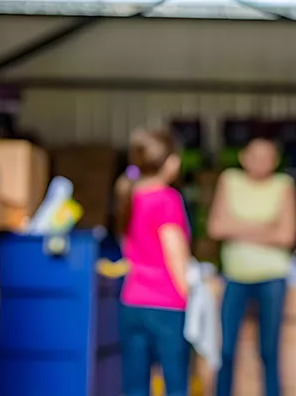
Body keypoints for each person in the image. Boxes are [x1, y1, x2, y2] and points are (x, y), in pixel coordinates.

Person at [208, 136, 296, 396]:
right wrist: (265, 227)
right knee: (225, 349)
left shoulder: (284, 184)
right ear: (243, 158)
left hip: (273, 277)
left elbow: (287, 236)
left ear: (276, 161)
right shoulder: (229, 179)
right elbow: (216, 227)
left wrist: (237, 227)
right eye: (255, 155)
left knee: (269, 350)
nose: (260, 162)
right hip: (234, 277)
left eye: (267, 156)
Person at [115, 129, 192, 396]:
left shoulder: (128, 194)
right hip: (166, 304)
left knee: (135, 384)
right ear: (170, 162)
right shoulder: (167, 199)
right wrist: (191, 295)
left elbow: (128, 248)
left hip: (132, 300)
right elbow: (175, 255)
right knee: (176, 383)